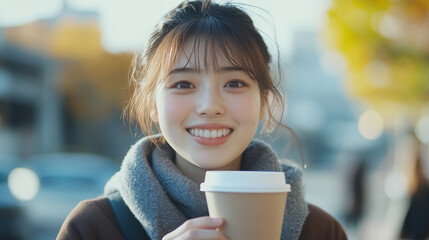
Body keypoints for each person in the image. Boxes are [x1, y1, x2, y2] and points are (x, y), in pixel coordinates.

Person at [57, 0, 347, 239]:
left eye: (234, 83)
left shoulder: (320, 231)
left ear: (264, 102)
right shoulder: (93, 228)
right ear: (152, 106)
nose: (210, 107)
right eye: (183, 84)